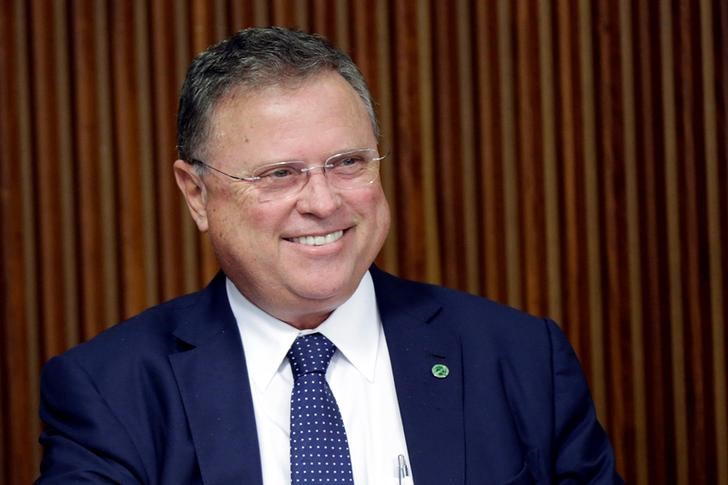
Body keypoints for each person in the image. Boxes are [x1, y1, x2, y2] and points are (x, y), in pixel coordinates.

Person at [37, 27, 623, 484]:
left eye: (347, 162)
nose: (322, 202)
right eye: (279, 174)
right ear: (197, 194)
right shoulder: (111, 391)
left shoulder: (520, 359)